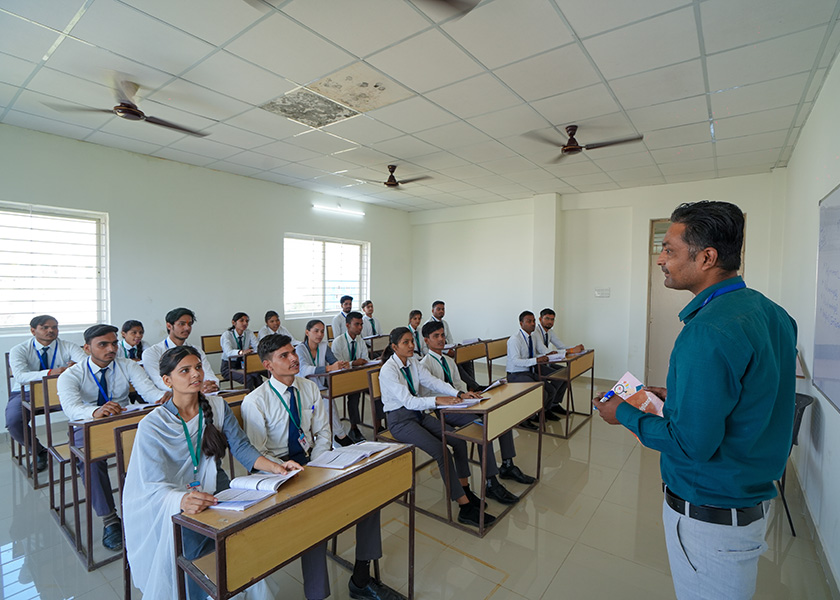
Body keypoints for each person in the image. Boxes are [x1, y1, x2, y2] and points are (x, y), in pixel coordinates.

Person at [594, 201, 797, 600]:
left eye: (669, 250)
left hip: (710, 516)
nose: (660, 259)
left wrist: (623, 414)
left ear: (706, 257)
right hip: (747, 499)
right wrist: (680, 397)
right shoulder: (773, 313)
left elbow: (691, 443)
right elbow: (754, 393)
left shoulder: (708, 330)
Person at [124, 345, 295, 600]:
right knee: (194, 551)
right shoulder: (152, 424)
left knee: (243, 538)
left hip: (216, 489)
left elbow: (242, 447)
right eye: (185, 370)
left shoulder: (216, 406)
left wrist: (276, 467)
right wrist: (180, 499)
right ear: (167, 381)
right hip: (173, 500)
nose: (196, 374)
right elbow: (150, 482)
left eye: (198, 367)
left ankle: (239, 588)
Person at [242, 334, 398, 600]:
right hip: (278, 473)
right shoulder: (256, 401)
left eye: (293, 352)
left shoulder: (309, 388)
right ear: (268, 365)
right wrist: (286, 469)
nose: (294, 358)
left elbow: (323, 432)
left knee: (368, 497)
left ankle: (361, 579)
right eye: (284, 356)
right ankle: (318, 595)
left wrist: (316, 463)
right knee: (313, 522)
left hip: (313, 461)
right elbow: (258, 453)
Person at [57, 324, 168, 551]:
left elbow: (148, 392)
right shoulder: (72, 375)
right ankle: (109, 520)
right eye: (103, 345)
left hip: (123, 419)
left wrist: (164, 397)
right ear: (87, 348)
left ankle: (150, 504)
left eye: (114, 343)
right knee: (90, 460)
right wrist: (95, 411)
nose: (111, 349)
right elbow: (71, 408)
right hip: (88, 423)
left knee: (156, 445)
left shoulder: (127, 365)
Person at [379, 327, 496, 528]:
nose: (411, 345)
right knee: (441, 451)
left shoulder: (413, 362)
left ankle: (465, 489)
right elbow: (408, 401)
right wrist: (437, 400)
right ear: (394, 347)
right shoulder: (388, 370)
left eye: (412, 341)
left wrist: (458, 394)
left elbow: (433, 382)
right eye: (406, 342)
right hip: (400, 421)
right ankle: (464, 507)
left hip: (419, 415)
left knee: (458, 441)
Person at [421, 321, 534, 503]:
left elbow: (458, 385)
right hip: (444, 409)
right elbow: (431, 393)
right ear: (426, 340)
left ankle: (507, 464)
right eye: (436, 336)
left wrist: (470, 395)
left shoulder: (449, 361)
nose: (441, 339)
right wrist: (457, 397)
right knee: (484, 427)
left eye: (442, 335)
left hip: (461, 403)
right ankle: (491, 482)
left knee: (499, 415)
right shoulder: (424, 365)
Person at [7, 314, 86, 472]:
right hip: (27, 391)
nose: (51, 330)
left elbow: (85, 364)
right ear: (33, 330)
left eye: (54, 327)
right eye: (45, 327)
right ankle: (38, 451)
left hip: (61, 390)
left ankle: (80, 447)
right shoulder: (19, 350)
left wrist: (76, 366)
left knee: (87, 409)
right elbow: (21, 376)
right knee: (14, 421)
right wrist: (51, 372)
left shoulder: (68, 346)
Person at [295, 319, 354, 447]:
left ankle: (339, 435)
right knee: (326, 402)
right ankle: (340, 435)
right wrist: (329, 368)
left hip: (320, 386)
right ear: (307, 332)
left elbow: (333, 362)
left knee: (328, 401)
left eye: (322, 331)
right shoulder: (300, 349)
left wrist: (341, 364)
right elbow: (304, 369)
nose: (320, 334)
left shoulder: (323, 347)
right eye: (316, 331)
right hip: (303, 387)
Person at [506, 311, 566, 430]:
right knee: (540, 392)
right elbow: (515, 361)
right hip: (516, 373)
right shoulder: (515, 339)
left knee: (551, 390)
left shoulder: (532, 337)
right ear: (521, 323)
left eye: (533, 321)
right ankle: (524, 419)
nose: (533, 324)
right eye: (529, 321)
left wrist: (547, 355)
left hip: (529, 370)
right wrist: (536, 360)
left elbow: (537, 353)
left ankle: (543, 412)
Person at [143, 307, 220, 393]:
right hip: (170, 397)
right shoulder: (152, 353)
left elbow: (209, 374)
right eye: (182, 324)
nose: (187, 328)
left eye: (189, 324)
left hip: (200, 394)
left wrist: (211, 385)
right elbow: (160, 382)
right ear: (169, 326)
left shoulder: (196, 350)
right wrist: (194, 388)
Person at [330, 311, 371, 442]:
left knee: (377, 390)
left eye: (361, 324)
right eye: (357, 324)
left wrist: (357, 363)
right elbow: (339, 364)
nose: (360, 327)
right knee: (354, 394)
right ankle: (354, 428)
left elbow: (365, 359)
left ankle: (379, 424)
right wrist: (354, 363)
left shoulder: (360, 341)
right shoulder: (338, 342)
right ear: (347, 325)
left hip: (359, 376)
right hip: (343, 378)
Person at [428, 300, 476, 384]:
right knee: (456, 363)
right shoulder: (429, 324)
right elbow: (431, 344)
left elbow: (449, 338)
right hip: (439, 351)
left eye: (443, 309)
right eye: (438, 309)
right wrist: (447, 351)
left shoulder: (444, 323)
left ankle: (471, 386)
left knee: (467, 358)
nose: (441, 311)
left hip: (448, 349)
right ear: (433, 310)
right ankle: (474, 385)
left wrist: (452, 348)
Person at [220, 312, 262, 391]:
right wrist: (241, 352)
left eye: (247, 321)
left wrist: (252, 351)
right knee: (248, 379)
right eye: (241, 320)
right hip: (228, 367)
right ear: (234, 322)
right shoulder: (227, 335)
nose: (245, 323)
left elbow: (258, 347)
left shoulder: (248, 333)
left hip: (243, 365)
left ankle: (262, 396)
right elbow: (228, 352)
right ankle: (249, 397)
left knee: (257, 376)